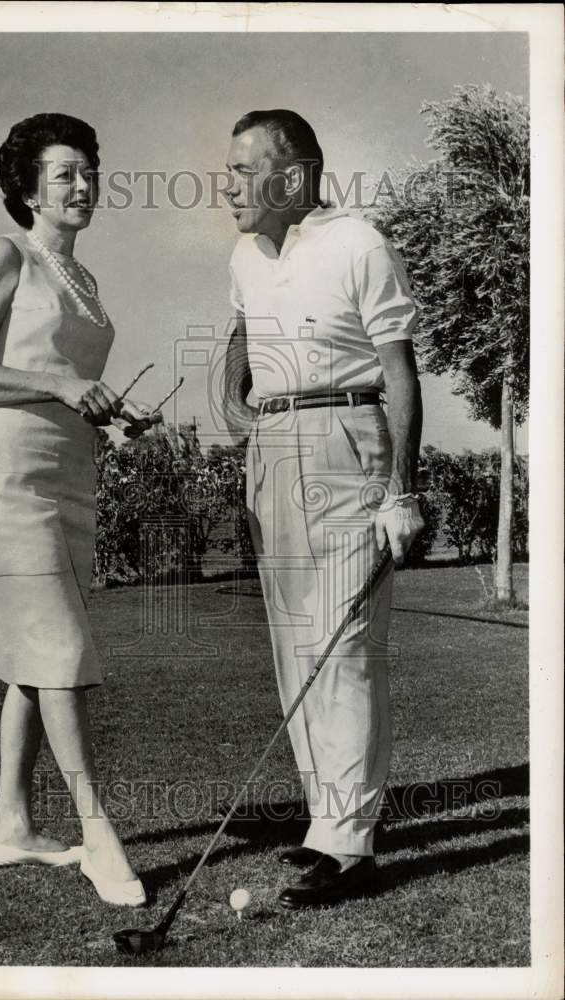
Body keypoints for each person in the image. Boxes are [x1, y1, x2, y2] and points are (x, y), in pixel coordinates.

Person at [0, 113, 155, 907]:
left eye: (89, 171)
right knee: (59, 654)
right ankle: (100, 833)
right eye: (66, 172)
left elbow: (66, 380)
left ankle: (12, 827)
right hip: (8, 483)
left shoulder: (87, 281)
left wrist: (109, 412)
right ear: (27, 187)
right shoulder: (6, 257)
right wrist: (65, 387)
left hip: (71, 480)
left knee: (35, 666)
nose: (83, 185)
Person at [221, 109, 425, 906]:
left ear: (295, 176)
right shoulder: (243, 254)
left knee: (343, 649)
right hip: (272, 447)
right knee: (296, 648)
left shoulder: (359, 243)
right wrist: (239, 406)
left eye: (242, 170)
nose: (227, 185)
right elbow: (240, 338)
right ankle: (325, 828)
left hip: (349, 437)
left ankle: (351, 845)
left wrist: (402, 492)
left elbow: (400, 372)